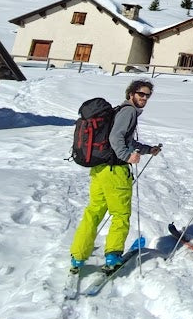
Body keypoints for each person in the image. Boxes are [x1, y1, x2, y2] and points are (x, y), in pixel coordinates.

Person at [69, 79, 162, 271]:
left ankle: (78, 256)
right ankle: (113, 256)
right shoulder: (128, 111)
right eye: (141, 94)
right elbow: (115, 138)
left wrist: (147, 149)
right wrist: (127, 156)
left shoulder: (120, 110)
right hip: (115, 171)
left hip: (100, 169)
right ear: (131, 94)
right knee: (120, 214)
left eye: (147, 95)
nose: (144, 98)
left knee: (94, 211)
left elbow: (124, 139)